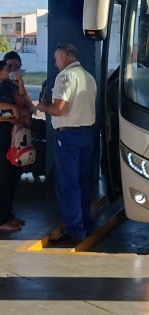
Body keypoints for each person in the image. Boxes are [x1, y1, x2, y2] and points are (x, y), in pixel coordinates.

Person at [36, 43, 97, 247]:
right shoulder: (88, 77)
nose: (55, 63)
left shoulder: (65, 77)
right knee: (83, 181)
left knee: (68, 184)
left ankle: (74, 230)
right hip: (87, 134)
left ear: (64, 55)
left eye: (56, 58)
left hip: (68, 136)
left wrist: (43, 106)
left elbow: (59, 109)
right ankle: (86, 224)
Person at [0, 60, 25, 231]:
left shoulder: (9, 86)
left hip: (12, 133)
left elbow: (22, 100)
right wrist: (9, 107)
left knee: (12, 173)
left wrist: (20, 82)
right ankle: (2, 219)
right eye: (6, 68)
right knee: (2, 175)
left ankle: (8, 214)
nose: (10, 71)